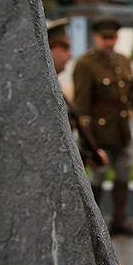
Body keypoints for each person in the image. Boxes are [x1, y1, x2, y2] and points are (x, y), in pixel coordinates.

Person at [73, 17, 133, 236]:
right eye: (105, 38)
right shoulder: (85, 64)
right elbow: (81, 108)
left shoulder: (123, 60)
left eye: (112, 38)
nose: (109, 42)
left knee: (123, 175)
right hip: (99, 134)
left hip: (121, 132)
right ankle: (93, 226)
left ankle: (120, 221)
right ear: (95, 38)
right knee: (97, 179)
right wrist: (90, 144)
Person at [47, 18, 108, 168]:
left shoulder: (51, 85)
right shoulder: (42, 90)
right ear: (48, 48)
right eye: (65, 48)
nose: (70, 55)